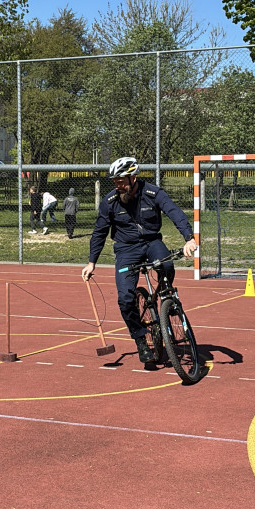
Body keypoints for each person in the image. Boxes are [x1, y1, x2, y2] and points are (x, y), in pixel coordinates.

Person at [81, 156, 197, 364]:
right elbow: (99, 232)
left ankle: (166, 298)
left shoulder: (153, 193)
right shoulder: (110, 202)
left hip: (152, 243)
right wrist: (92, 262)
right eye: (115, 181)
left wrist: (189, 238)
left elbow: (175, 212)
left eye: (122, 180)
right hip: (126, 249)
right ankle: (141, 340)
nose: (118, 185)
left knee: (166, 264)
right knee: (125, 299)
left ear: (134, 178)